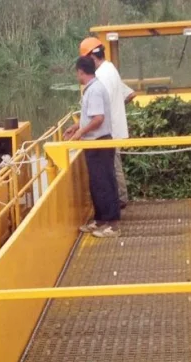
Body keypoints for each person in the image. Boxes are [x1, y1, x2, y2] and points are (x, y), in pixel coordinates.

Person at [64, 56, 119, 238]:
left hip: (99, 142)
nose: (76, 76)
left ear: (81, 71)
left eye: (77, 73)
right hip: (94, 142)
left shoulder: (94, 90)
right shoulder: (92, 88)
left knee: (104, 182)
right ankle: (100, 220)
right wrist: (76, 126)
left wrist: (81, 133)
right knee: (96, 183)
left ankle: (112, 224)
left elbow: (98, 119)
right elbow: (90, 116)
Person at [80, 37, 136, 209]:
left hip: (106, 132)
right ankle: (119, 199)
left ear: (91, 57)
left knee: (110, 169)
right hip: (113, 127)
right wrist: (116, 107)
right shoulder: (110, 69)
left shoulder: (101, 76)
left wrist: (79, 131)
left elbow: (98, 115)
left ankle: (118, 201)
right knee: (114, 165)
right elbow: (130, 94)